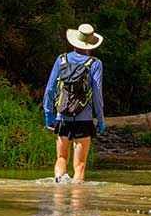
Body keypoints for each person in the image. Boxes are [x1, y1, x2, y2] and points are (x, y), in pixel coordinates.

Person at [43, 23, 105, 182]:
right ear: (90, 44)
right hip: (84, 120)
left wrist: (49, 114)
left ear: (74, 41)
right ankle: (77, 206)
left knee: (61, 158)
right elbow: (97, 93)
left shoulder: (61, 59)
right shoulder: (95, 63)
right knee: (80, 165)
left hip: (62, 117)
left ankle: (58, 199)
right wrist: (100, 119)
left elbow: (50, 89)